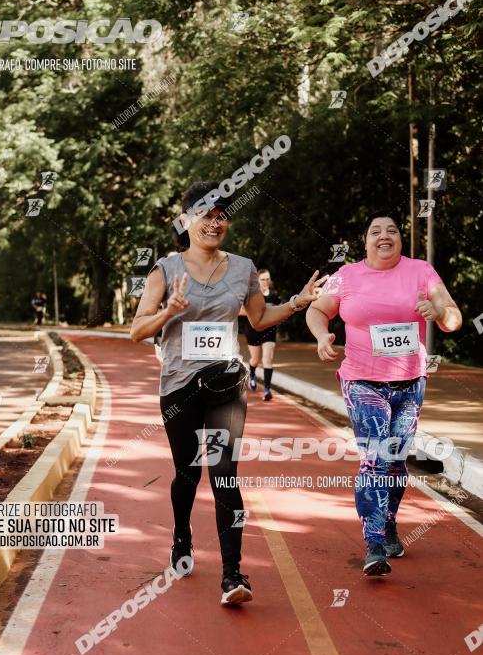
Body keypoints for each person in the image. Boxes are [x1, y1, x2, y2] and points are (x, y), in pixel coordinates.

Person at [130, 180, 325, 605]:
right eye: (205, 214)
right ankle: (182, 537)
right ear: (186, 221)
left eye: (222, 215)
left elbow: (258, 319)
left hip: (226, 383)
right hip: (179, 386)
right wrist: (169, 312)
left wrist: (297, 302)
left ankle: (233, 573)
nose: (214, 222)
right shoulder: (165, 271)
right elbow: (136, 330)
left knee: (224, 474)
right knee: (187, 471)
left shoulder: (242, 268)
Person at [306, 210, 462, 576]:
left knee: (394, 461)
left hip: (409, 381)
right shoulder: (346, 277)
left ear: (400, 240)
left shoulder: (421, 271)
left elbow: (453, 318)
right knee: (374, 457)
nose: (384, 235)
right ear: (366, 242)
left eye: (392, 230)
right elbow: (317, 310)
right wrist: (321, 336)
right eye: (375, 231)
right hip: (361, 380)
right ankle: (374, 541)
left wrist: (437, 310)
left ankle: (388, 521)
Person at [243, 269, 281, 400]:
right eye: (263, 279)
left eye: (267, 279)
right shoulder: (251, 295)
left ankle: (267, 390)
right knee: (255, 359)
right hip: (253, 330)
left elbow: (279, 311)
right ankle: (252, 374)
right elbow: (240, 311)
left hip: (269, 330)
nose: (265, 282)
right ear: (257, 280)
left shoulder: (274, 294)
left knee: (268, 359)